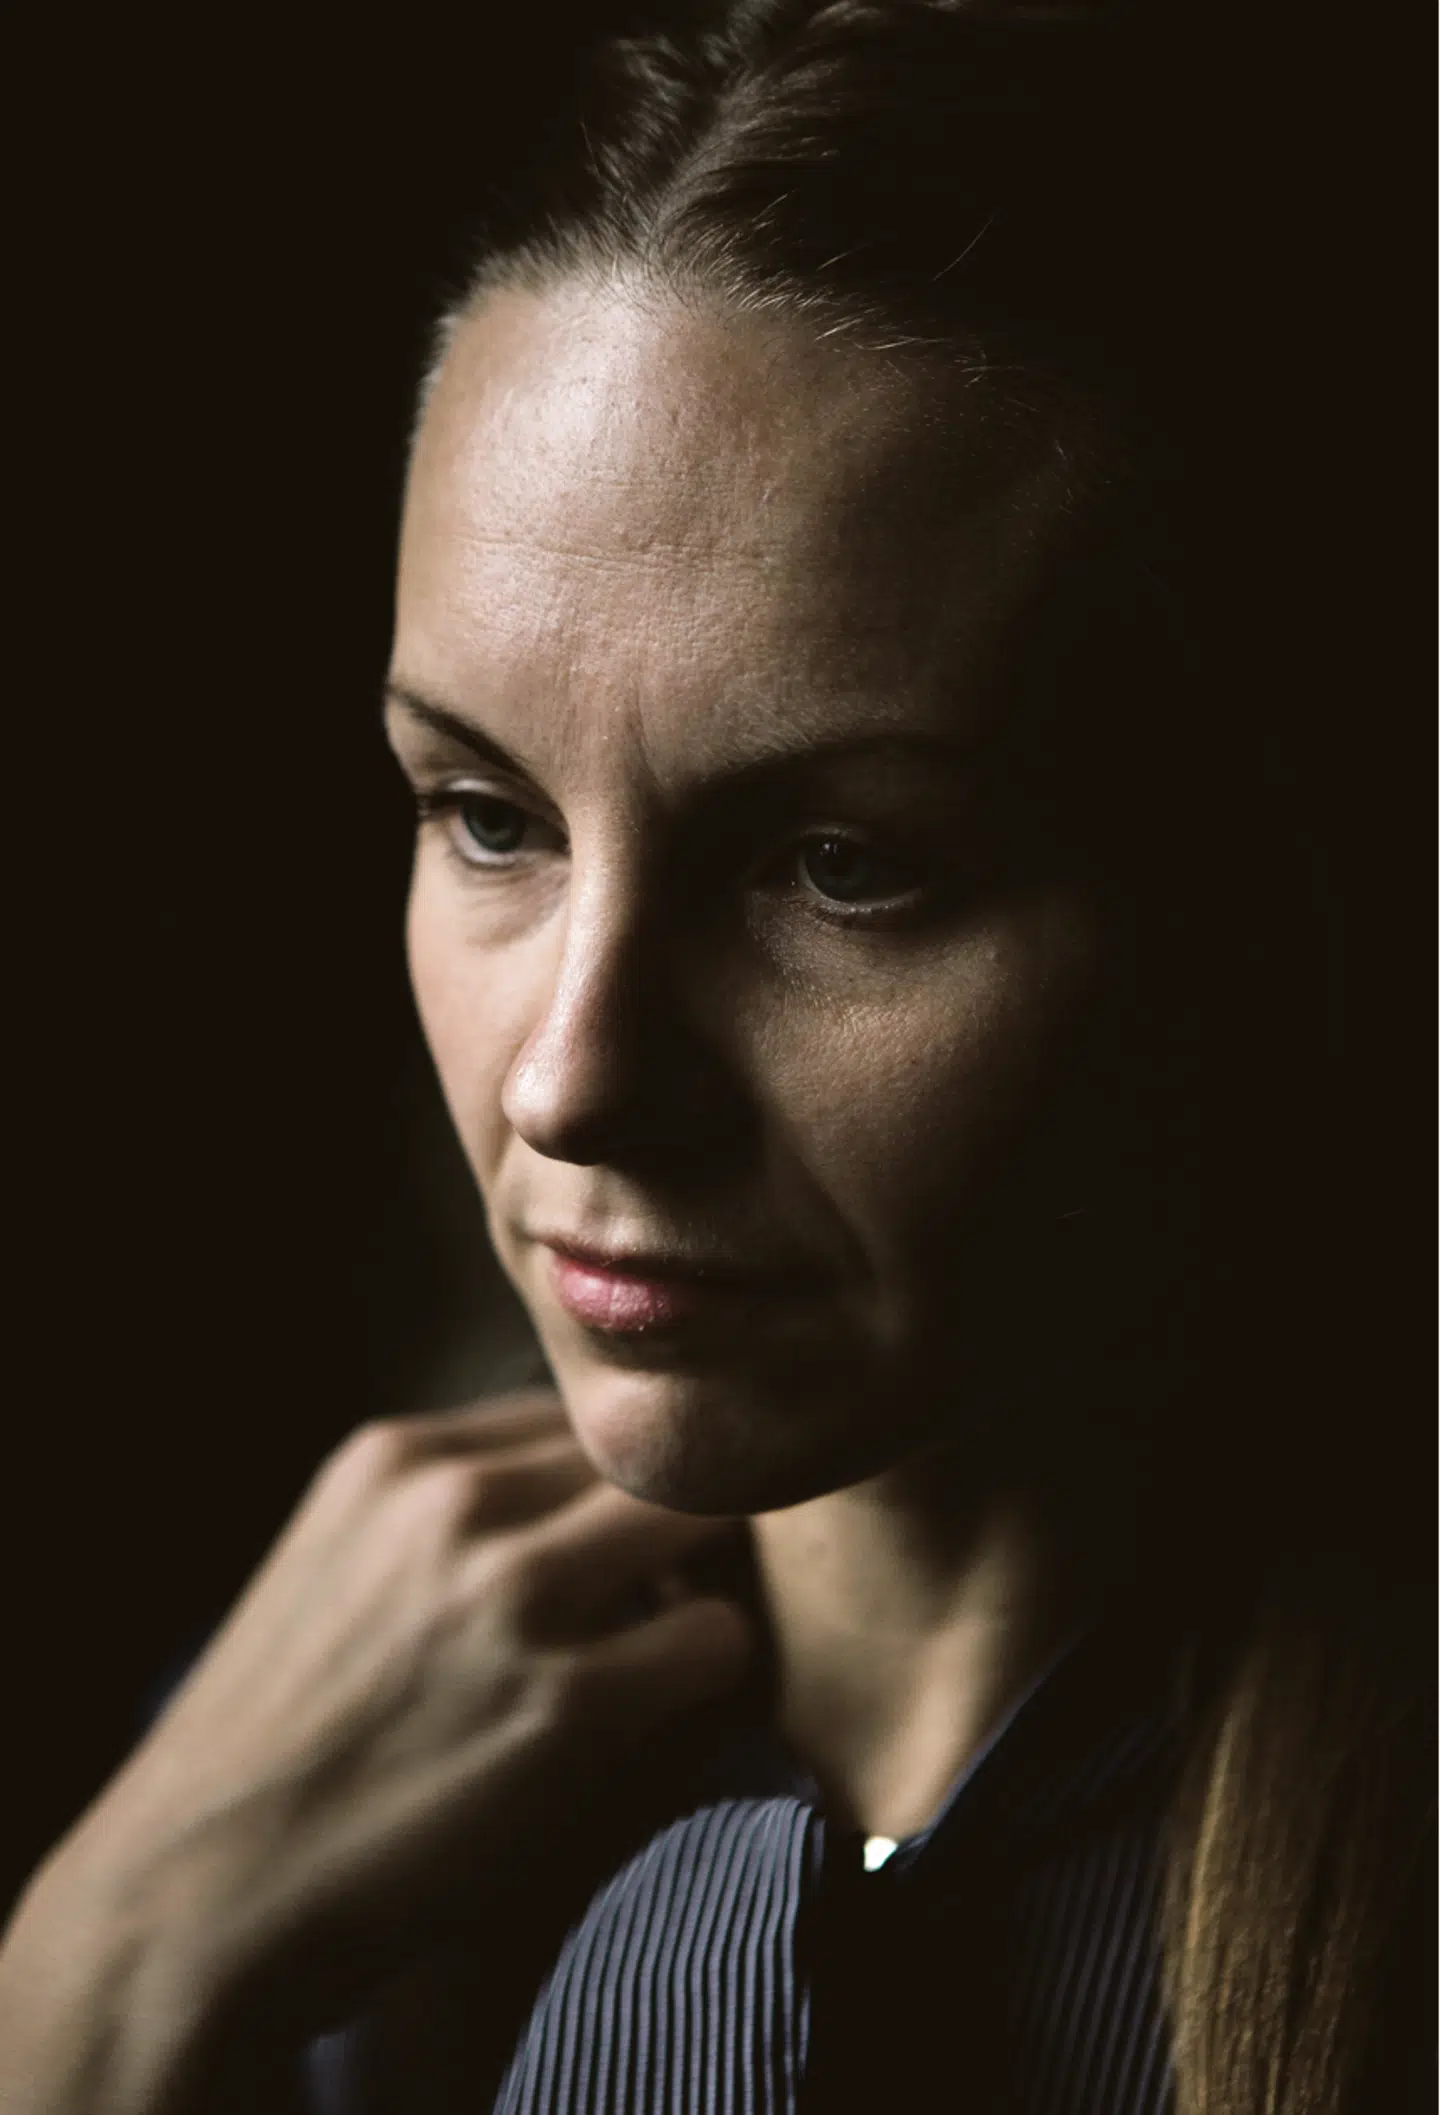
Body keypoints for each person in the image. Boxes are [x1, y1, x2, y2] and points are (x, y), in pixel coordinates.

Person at [1, 5, 1429, 2112]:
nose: (571, 1084)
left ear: (1272, 897)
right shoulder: (288, 1780)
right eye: (488, 815)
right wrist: (108, 1975)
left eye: (844, 866)